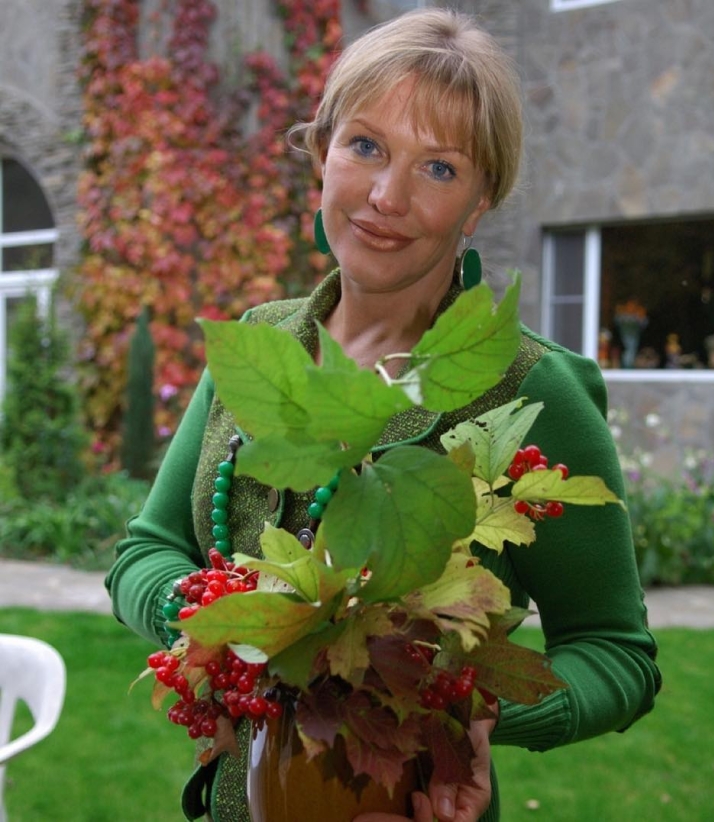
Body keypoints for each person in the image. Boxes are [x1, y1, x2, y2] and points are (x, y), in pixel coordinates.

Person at [105, 9, 661, 822]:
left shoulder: (527, 393)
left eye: (438, 168)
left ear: (478, 204)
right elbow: (145, 552)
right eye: (364, 146)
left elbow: (616, 654)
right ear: (321, 153)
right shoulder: (260, 345)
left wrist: (472, 710)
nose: (386, 197)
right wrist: (222, 633)